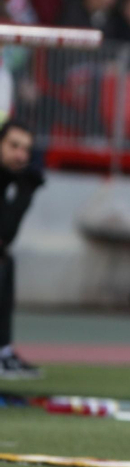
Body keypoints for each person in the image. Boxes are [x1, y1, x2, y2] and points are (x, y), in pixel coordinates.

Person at [0, 121, 44, 379]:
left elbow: (5, 238)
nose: (20, 155)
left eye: (26, 150)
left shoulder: (8, 178)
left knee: (6, 260)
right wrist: (26, 192)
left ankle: (3, 352)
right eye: (13, 146)